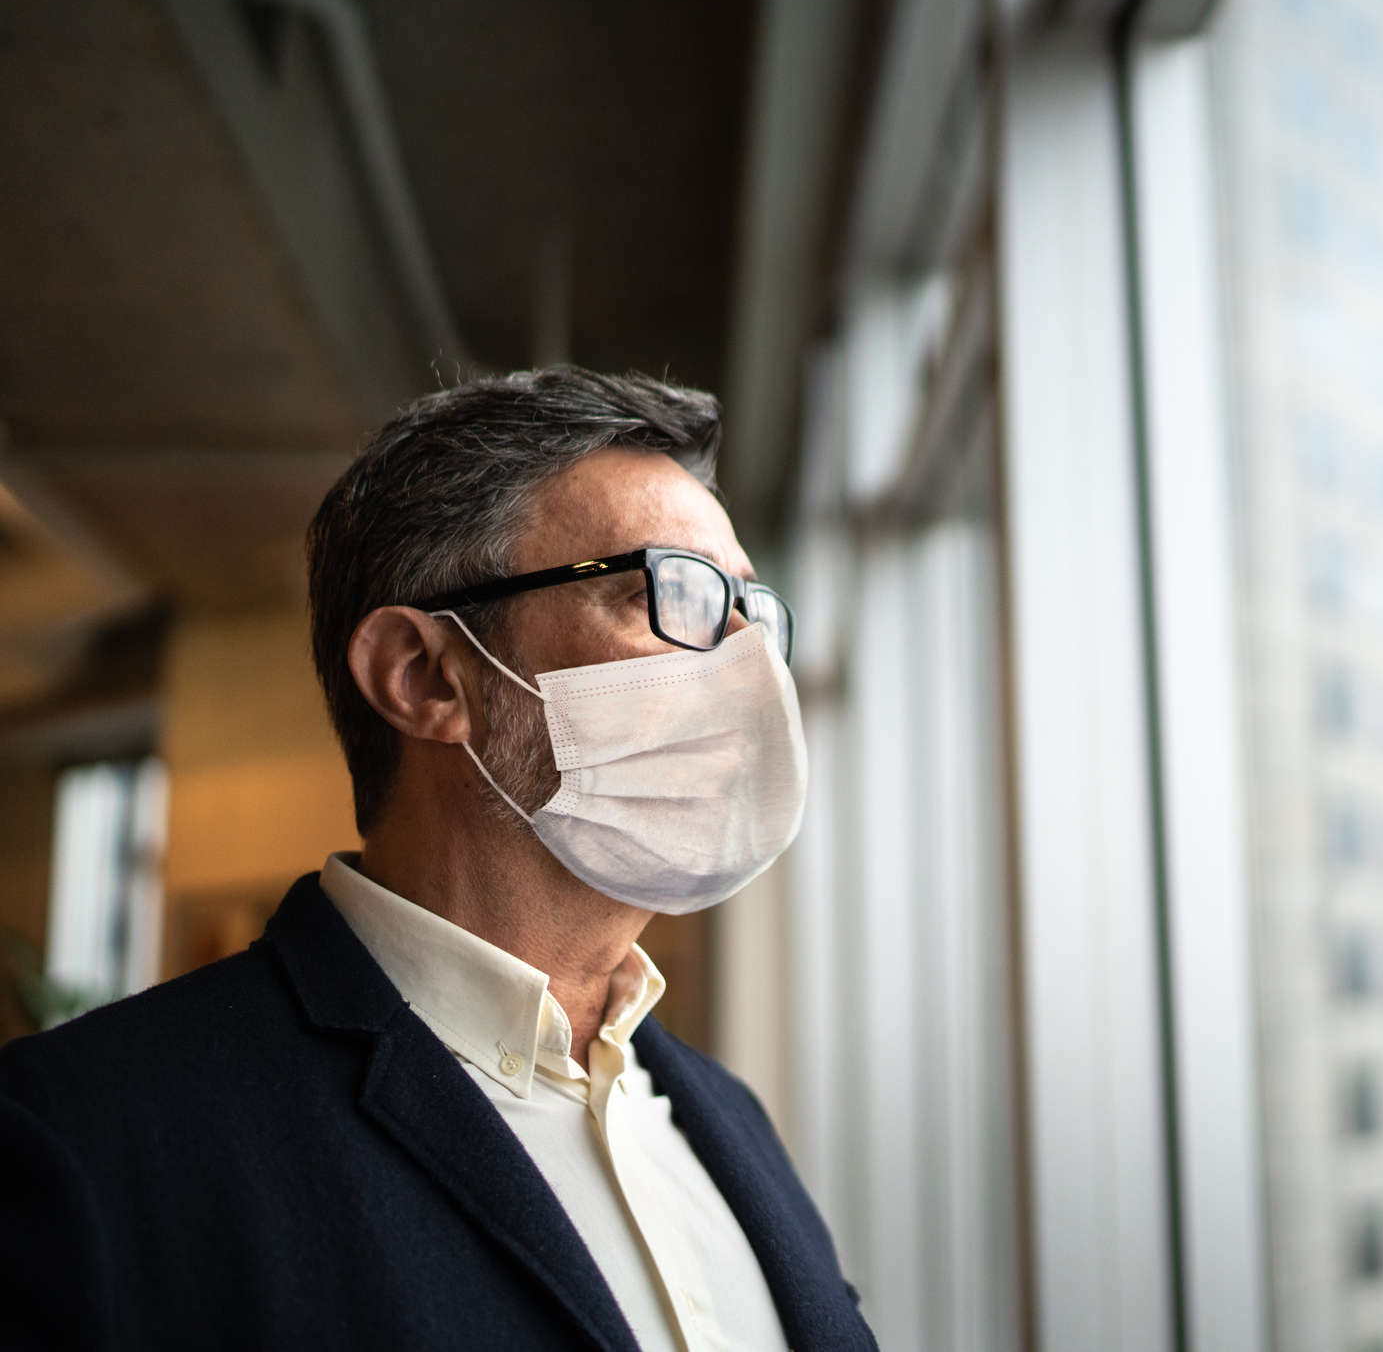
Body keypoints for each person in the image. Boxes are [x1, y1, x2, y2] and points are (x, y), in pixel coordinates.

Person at [0, 368, 876, 1352]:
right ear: (424, 676)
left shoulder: (728, 1119)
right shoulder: (86, 1141)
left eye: (751, 612)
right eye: (669, 594)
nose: (745, 664)